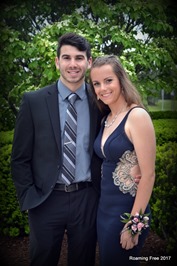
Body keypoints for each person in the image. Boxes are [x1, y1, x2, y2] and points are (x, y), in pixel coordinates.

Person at [11, 32, 104, 266]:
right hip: (45, 199)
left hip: (86, 199)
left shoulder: (101, 102)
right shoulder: (33, 101)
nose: (73, 64)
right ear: (57, 61)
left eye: (79, 58)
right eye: (66, 57)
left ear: (89, 62)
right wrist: (29, 196)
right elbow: (19, 157)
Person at [89, 55, 156, 265]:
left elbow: (148, 175)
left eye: (108, 80)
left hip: (128, 212)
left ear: (121, 80)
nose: (103, 88)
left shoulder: (137, 116)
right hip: (104, 210)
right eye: (97, 83)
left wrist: (134, 225)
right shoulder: (106, 118)